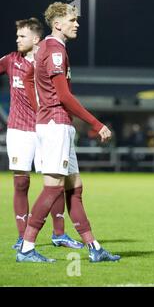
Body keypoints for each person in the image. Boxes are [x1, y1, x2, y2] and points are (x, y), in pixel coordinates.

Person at [17, 2, 120, 263]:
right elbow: (63, 95)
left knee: (75, 188)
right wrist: (97, 124)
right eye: (72, 20)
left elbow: (29, 77)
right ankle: (27, 248)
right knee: (52, 189)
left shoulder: (48, 48)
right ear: (58, 24)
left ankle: (94, 248)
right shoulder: (54, 50)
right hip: (55, 125)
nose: (77, 24)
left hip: (55, 123)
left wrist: (38, 102)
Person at [0, 17, 83, 251]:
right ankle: (22, 237)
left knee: (53, 181)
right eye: (17, 36)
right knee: (21, 183)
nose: (17, 40)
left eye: (22, 36)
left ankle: (59, 234)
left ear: (36, 39)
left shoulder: (46, 58)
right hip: (19, 130)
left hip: (44, 128)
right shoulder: (10, 61)